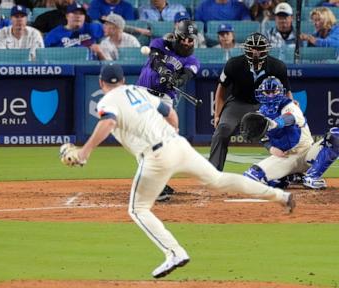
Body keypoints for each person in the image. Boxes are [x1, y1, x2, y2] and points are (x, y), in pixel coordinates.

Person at [59, 63, 295, 279]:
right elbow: (170, 113)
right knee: (219, 180)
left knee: (138, 209)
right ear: (122, 80)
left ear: (101, 83)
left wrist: (84, 152)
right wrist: (172, 133)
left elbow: (108, 122)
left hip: (155, 156)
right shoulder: (139, 91)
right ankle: (280, 197)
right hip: (179, 144)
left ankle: (174, 252)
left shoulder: (107, 101)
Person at [208, 32, 293, 171]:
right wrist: (217, 114)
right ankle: (212, 172)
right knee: (222, 129)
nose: (255, 52)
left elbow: (287, 91)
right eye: (252, 48)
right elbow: (221, 89)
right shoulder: (233, 64)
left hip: (266, 105)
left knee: (284, 130)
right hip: (238, 102)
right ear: (245, 48)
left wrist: (291, 111)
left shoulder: (278, 66)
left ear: (266, 49)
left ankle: (290, 171)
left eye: (259, 48)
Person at [136, 20, 200, 201]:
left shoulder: (193, 60)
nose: (187, 42)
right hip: (143, 94)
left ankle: (158, 180)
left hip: (164, 100)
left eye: (190, 40)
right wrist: (164, 71)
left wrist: (175, 81)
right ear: (177, 36)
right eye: (184, 39)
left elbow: (186, 75)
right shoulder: (159, 43)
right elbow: (155, 59)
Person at [243, 76, 339, 189]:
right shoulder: (261, 113)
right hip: (286, 157)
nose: (270, 95)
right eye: (267, 92)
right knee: (251, 177)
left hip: (307, 153)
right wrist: (270, 148)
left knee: (335, 135)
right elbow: (262, 136)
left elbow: (290, 118)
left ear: (280, 92)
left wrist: (274, 123)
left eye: (273, 91)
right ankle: (291, 177)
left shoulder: (290, 105)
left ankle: (312, 176)